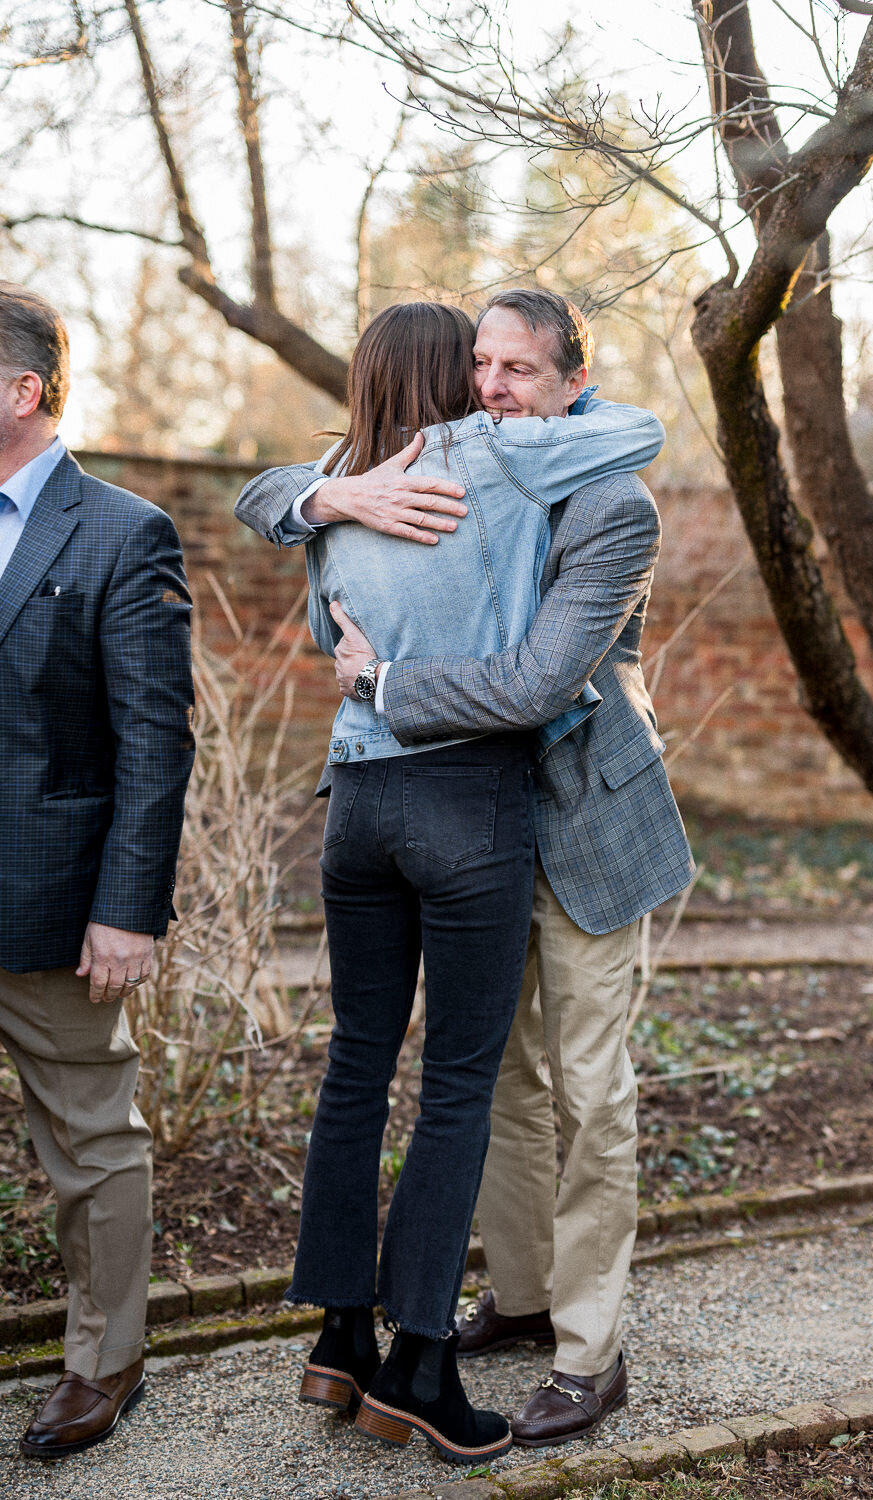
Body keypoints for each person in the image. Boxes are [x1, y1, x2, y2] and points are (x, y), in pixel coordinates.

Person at [241, 287, 694, 1449]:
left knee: (589, 1090)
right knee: (494, 1082)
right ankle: (525, 1292)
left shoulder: (606, 501)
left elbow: (537, 682)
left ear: (569, 386)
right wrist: (325, 487)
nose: (490, 390)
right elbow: (264, 493)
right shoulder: (423, 475)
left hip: (581, 827)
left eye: (519, 374)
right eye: (481, 366)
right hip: (473, 828)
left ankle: (591, 1352)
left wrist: (380, 687)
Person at [0, 283, 195, 1459]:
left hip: (55, 907)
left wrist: (128, 908)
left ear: (23, 392)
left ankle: (104, 1361)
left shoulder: (124, 532)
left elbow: (154, 737)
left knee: (93, 1143)